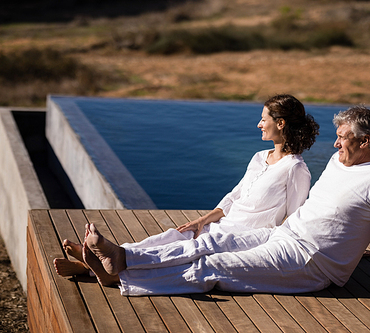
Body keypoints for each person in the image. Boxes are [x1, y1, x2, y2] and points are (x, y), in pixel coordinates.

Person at [83, 105, 370, 311]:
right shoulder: (338, 163)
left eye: (343, 139)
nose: (335, 146)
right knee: (209, 244)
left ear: (364, 142)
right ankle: (124, 257)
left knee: (214, 266)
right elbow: (334, 215)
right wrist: (356, 250)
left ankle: (123, 275)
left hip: (311, 263)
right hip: (285, 235)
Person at [53, 94, 320, 277]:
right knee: (173, 237)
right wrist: (201, 221)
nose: (259, 124)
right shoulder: (260, 157)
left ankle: (106, 261)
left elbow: (295, 220)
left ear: (280, 123)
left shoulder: (296, 169)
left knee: (189, 250)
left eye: (264, 119)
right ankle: (100, 261)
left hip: (250, 236)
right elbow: (234, 197)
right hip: (223, 225)